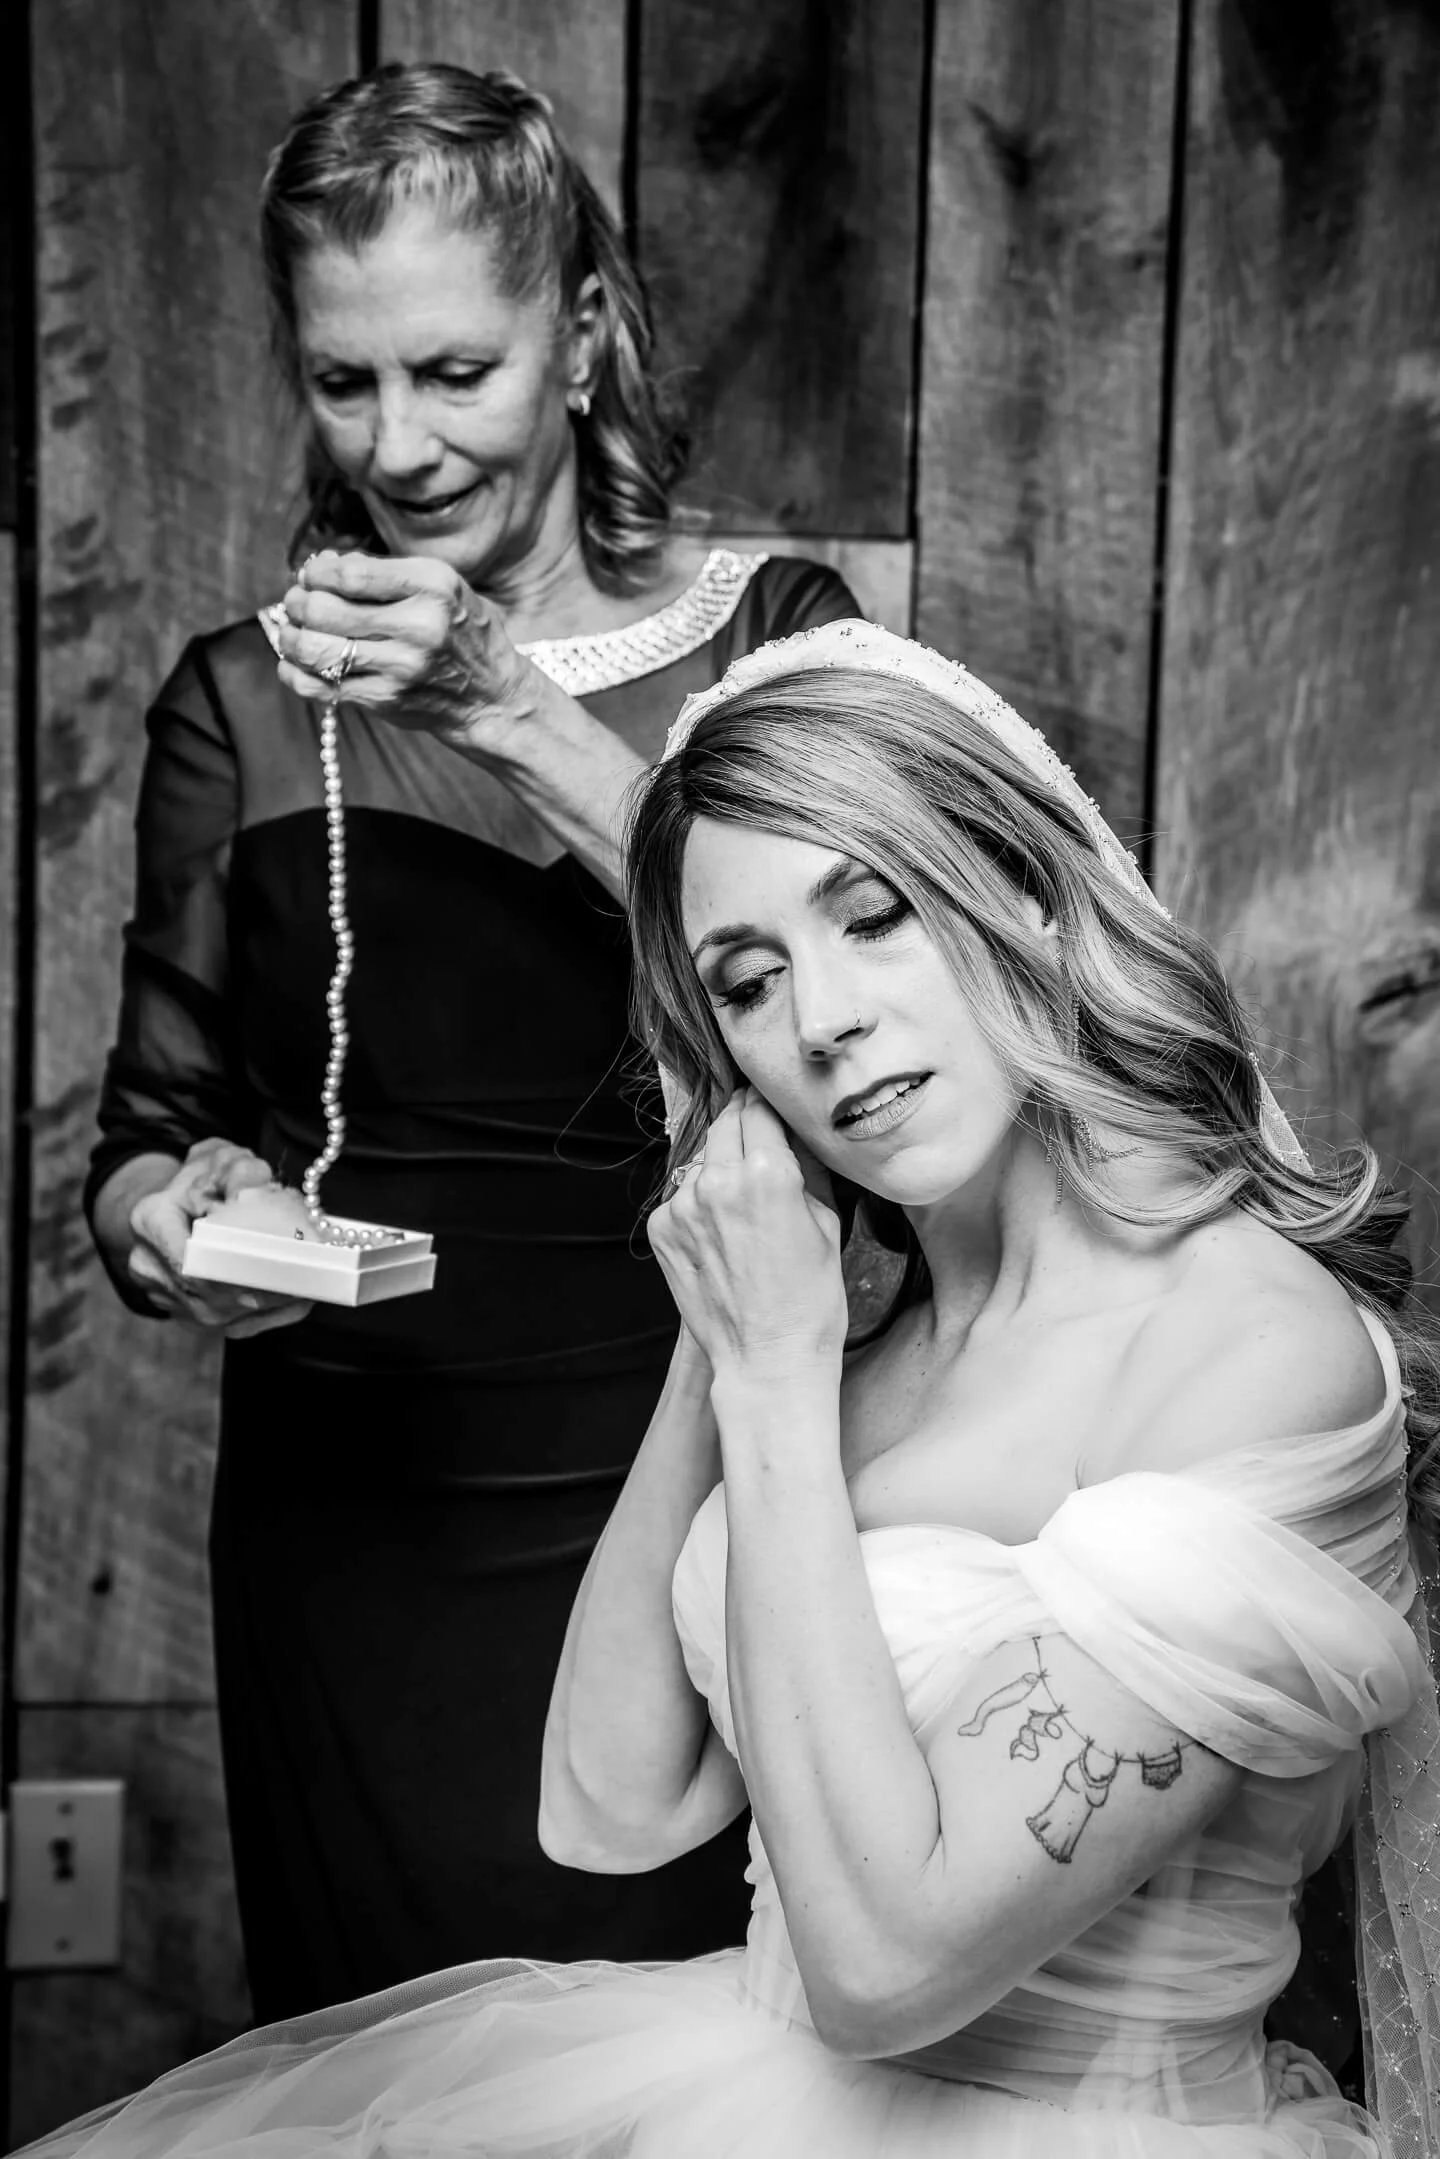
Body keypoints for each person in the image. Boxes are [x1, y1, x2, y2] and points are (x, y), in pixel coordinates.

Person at [43, 621, 1440, 2158]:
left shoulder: (1252, 1352)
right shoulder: (845, 1333)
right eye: (750, 982)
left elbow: (888, 1968)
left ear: (1027, 897)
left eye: (875, 914)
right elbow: (608, 1804)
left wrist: (777, 1381)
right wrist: (725, 1338)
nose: (823, 1020)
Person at [83, 61, 858, 2019]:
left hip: (689, 1459)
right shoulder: (237, 701)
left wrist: (507, 704)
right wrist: (181, 1215)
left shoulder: (773, 631)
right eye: (344, 382)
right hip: (349, 1524)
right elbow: (147, 1131)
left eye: (454, 369)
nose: (398, 441)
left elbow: (839, 1004)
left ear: (582, 335)